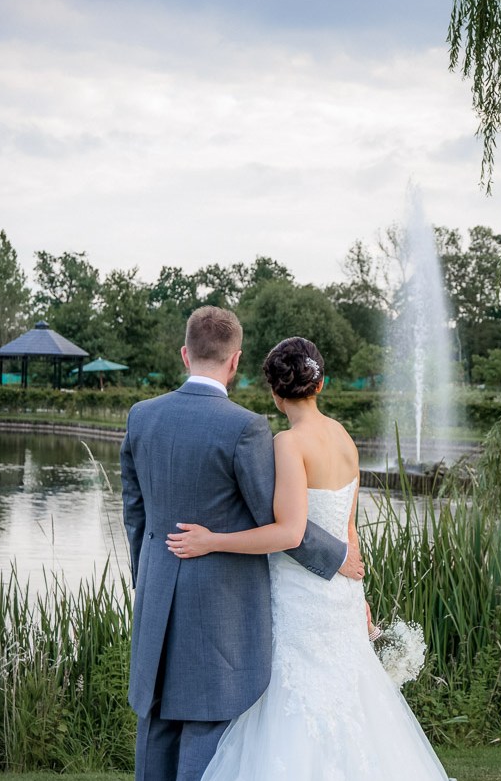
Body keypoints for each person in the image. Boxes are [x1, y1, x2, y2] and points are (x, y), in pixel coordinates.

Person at [166, 336, 450, 780]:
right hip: (339, 595)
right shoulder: (342, 436)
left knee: (291, 703)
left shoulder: (288, 443)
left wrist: (212, 540)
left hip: (299, 598)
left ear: (275, 393)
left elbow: (289, 532)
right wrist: (359, 597)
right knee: (351, 704)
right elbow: (349, 532)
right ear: (321, 384)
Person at [121, 308, 365, 781]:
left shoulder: (141, 417)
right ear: (235, 362)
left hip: (157, 596)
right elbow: (271, 517)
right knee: (207, 726)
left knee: (157, 726)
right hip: (220, 608)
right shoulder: (246, 428)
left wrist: (149, 580)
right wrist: (337, 556)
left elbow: (135, 514)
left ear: (185, 354)